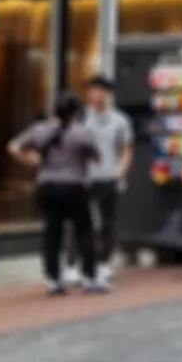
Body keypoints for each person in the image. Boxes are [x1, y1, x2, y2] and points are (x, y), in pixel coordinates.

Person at [8, 91, 102, 296]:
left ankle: (54, 280)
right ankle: (89, 278)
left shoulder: (39, 130)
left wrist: (33, 161)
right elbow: (97, 158)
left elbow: (13, 147)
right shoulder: (83, 133)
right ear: (76, 111)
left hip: (47, 185)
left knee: (52, 232)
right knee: (84, 230)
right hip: (75, 185)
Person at [64, 74, 133, 288]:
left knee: (107, 221)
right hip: (82, 177)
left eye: (101, 91)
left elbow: (126, 149)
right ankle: (72, 265)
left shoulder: (119, 120)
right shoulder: (80, 118)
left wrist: (120, 170)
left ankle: (104, 263)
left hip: (108, 177)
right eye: (93, 91)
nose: (97, 95)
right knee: (76, 222)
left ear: (108, 94)